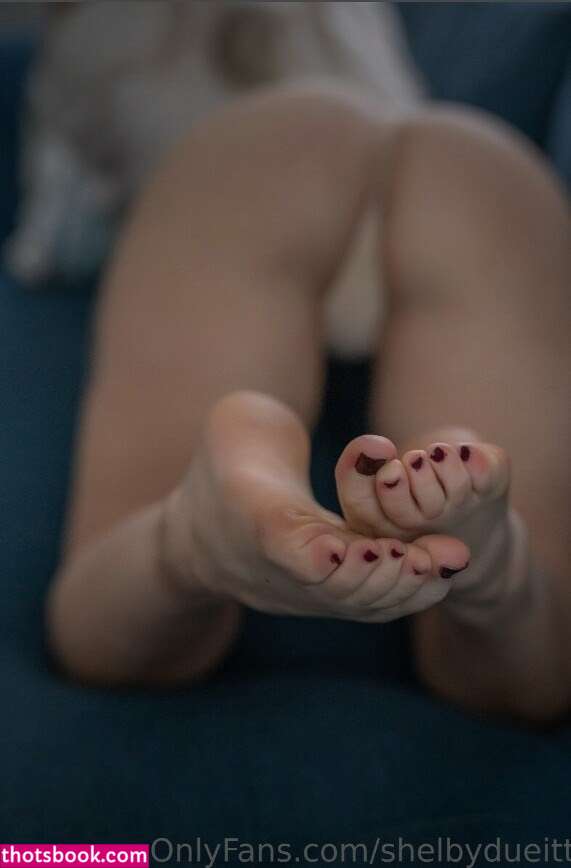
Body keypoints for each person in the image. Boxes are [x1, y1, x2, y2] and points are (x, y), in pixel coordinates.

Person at [46, 88, 570, 723]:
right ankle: (497, 566)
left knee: (107, 598)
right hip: (478, 175)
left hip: (268, 149)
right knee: (536, 657)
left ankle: (185, 538)